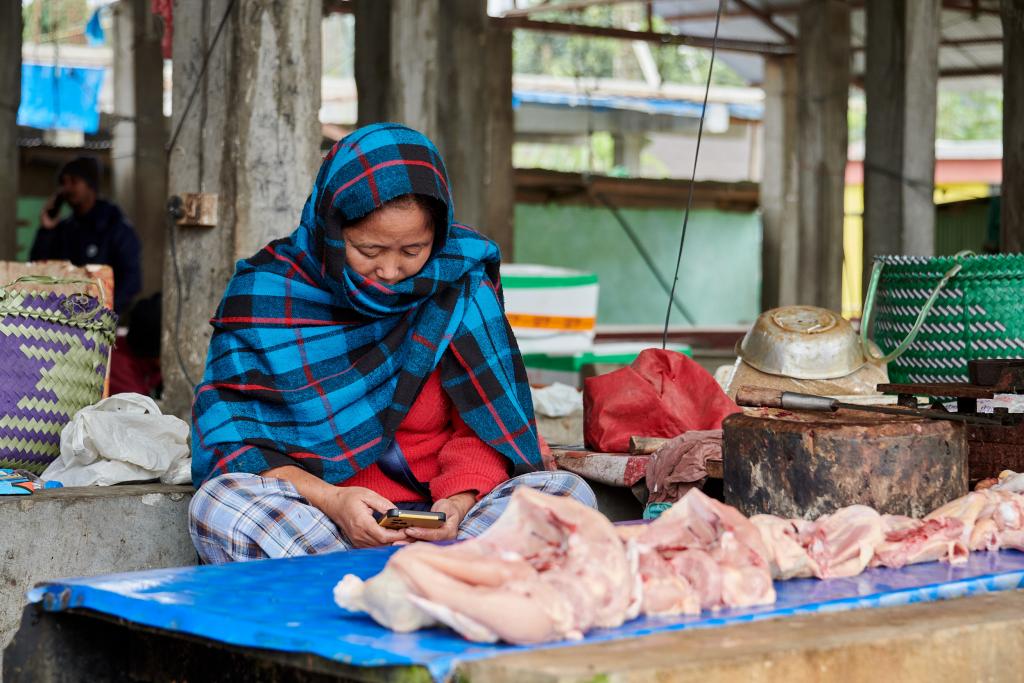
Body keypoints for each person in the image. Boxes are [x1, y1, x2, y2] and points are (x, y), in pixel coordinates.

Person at [189, 123, 595, 563]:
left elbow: (484, 427)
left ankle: (410, 580)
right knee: (221, 503)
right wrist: (333, 502)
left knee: (566, 495)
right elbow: (237, 439)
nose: (389, 271)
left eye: (412, 250)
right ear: (331, 229)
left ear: (436, 237)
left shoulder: (458, 283)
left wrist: (457, 503)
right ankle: (419, 587)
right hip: (322, 522)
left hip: (449, 524)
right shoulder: (267, 293)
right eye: (369, 250)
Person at [31, 156, 142, 315]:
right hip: (63, 318)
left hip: (99, 320)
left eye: (74, 182)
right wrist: (46, 230)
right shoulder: (63, 229)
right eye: (63, 183)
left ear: (91, 186)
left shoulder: (115, 227)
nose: (66, 188)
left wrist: (103, 312)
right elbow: (38, 269)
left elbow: (132, 280)